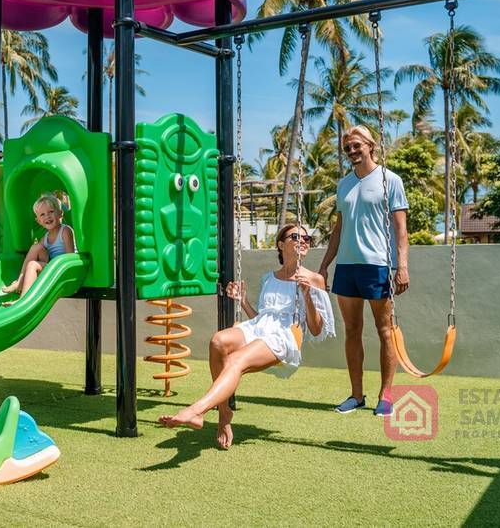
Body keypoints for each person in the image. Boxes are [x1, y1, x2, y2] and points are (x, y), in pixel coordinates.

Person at [158, 223, 335, 449]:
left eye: (306, 239)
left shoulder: (314, 279)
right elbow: (262, 318)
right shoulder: (268, 278)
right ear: (281, 245)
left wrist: (308, 296)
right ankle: (225, 413)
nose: (303, 241)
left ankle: (196, 410)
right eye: (295, 237)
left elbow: (317, 328)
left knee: (234, 360)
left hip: (284, 336)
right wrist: (243, 302)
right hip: (259, 328)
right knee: (218, 341)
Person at [318, 125, 410, 417]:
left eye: (357, 146)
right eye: (348, 148)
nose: (352, 151)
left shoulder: (390, 180)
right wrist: (324, 264)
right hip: (346, 267)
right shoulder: (344, 184)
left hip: (378, 266)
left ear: (371, 145)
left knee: (385, 331)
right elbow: (339, 227)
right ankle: (357, 395)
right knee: (352, 331)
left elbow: (401, 229)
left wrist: (402, 266)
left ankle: (386, 395)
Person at [1, 193, 76, 304]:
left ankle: (22, 300)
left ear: (61, 214)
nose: (47, 216)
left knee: (32, 264)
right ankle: (20, 281)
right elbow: (39, 253)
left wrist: (56, 267)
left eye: (51, 212)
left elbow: (70, 257)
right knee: (36, 247)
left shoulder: (65, 231)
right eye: (42, 215)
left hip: (62, 270)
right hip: (51, 268)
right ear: (39, 221)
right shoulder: (45, 237)